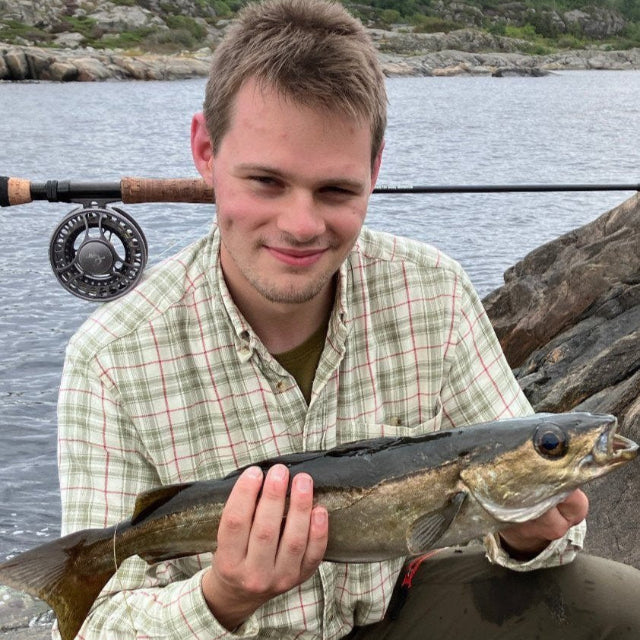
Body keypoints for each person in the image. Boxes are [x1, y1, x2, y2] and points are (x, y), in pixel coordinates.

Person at [56, 0, 640, 638]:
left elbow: (550, 518)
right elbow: (101, 626)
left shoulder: (433, 291)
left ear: (375, 170)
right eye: (266, 182)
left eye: (336, 190)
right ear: (205, 150)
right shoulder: (111, 357)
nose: (301, 225)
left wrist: (531, 536)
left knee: (615, 602)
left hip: (393, 613)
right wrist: (221, 598)